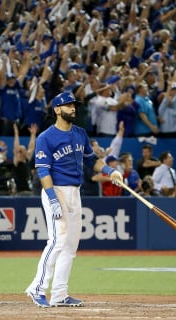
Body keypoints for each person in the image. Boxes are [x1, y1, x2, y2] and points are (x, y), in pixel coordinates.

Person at [25, 92, 122, 308]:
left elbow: (92, 161)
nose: (73, 108)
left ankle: (59, 294)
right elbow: (43, 172)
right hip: (55, 190)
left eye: (74, 105)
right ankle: (37, 288)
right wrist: (52, 199)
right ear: (57, 110)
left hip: (75, 192)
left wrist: (110, 171)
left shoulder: (80, 133)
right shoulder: (45, 137)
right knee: (57, 240)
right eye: (68, 105)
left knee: (70, 245)